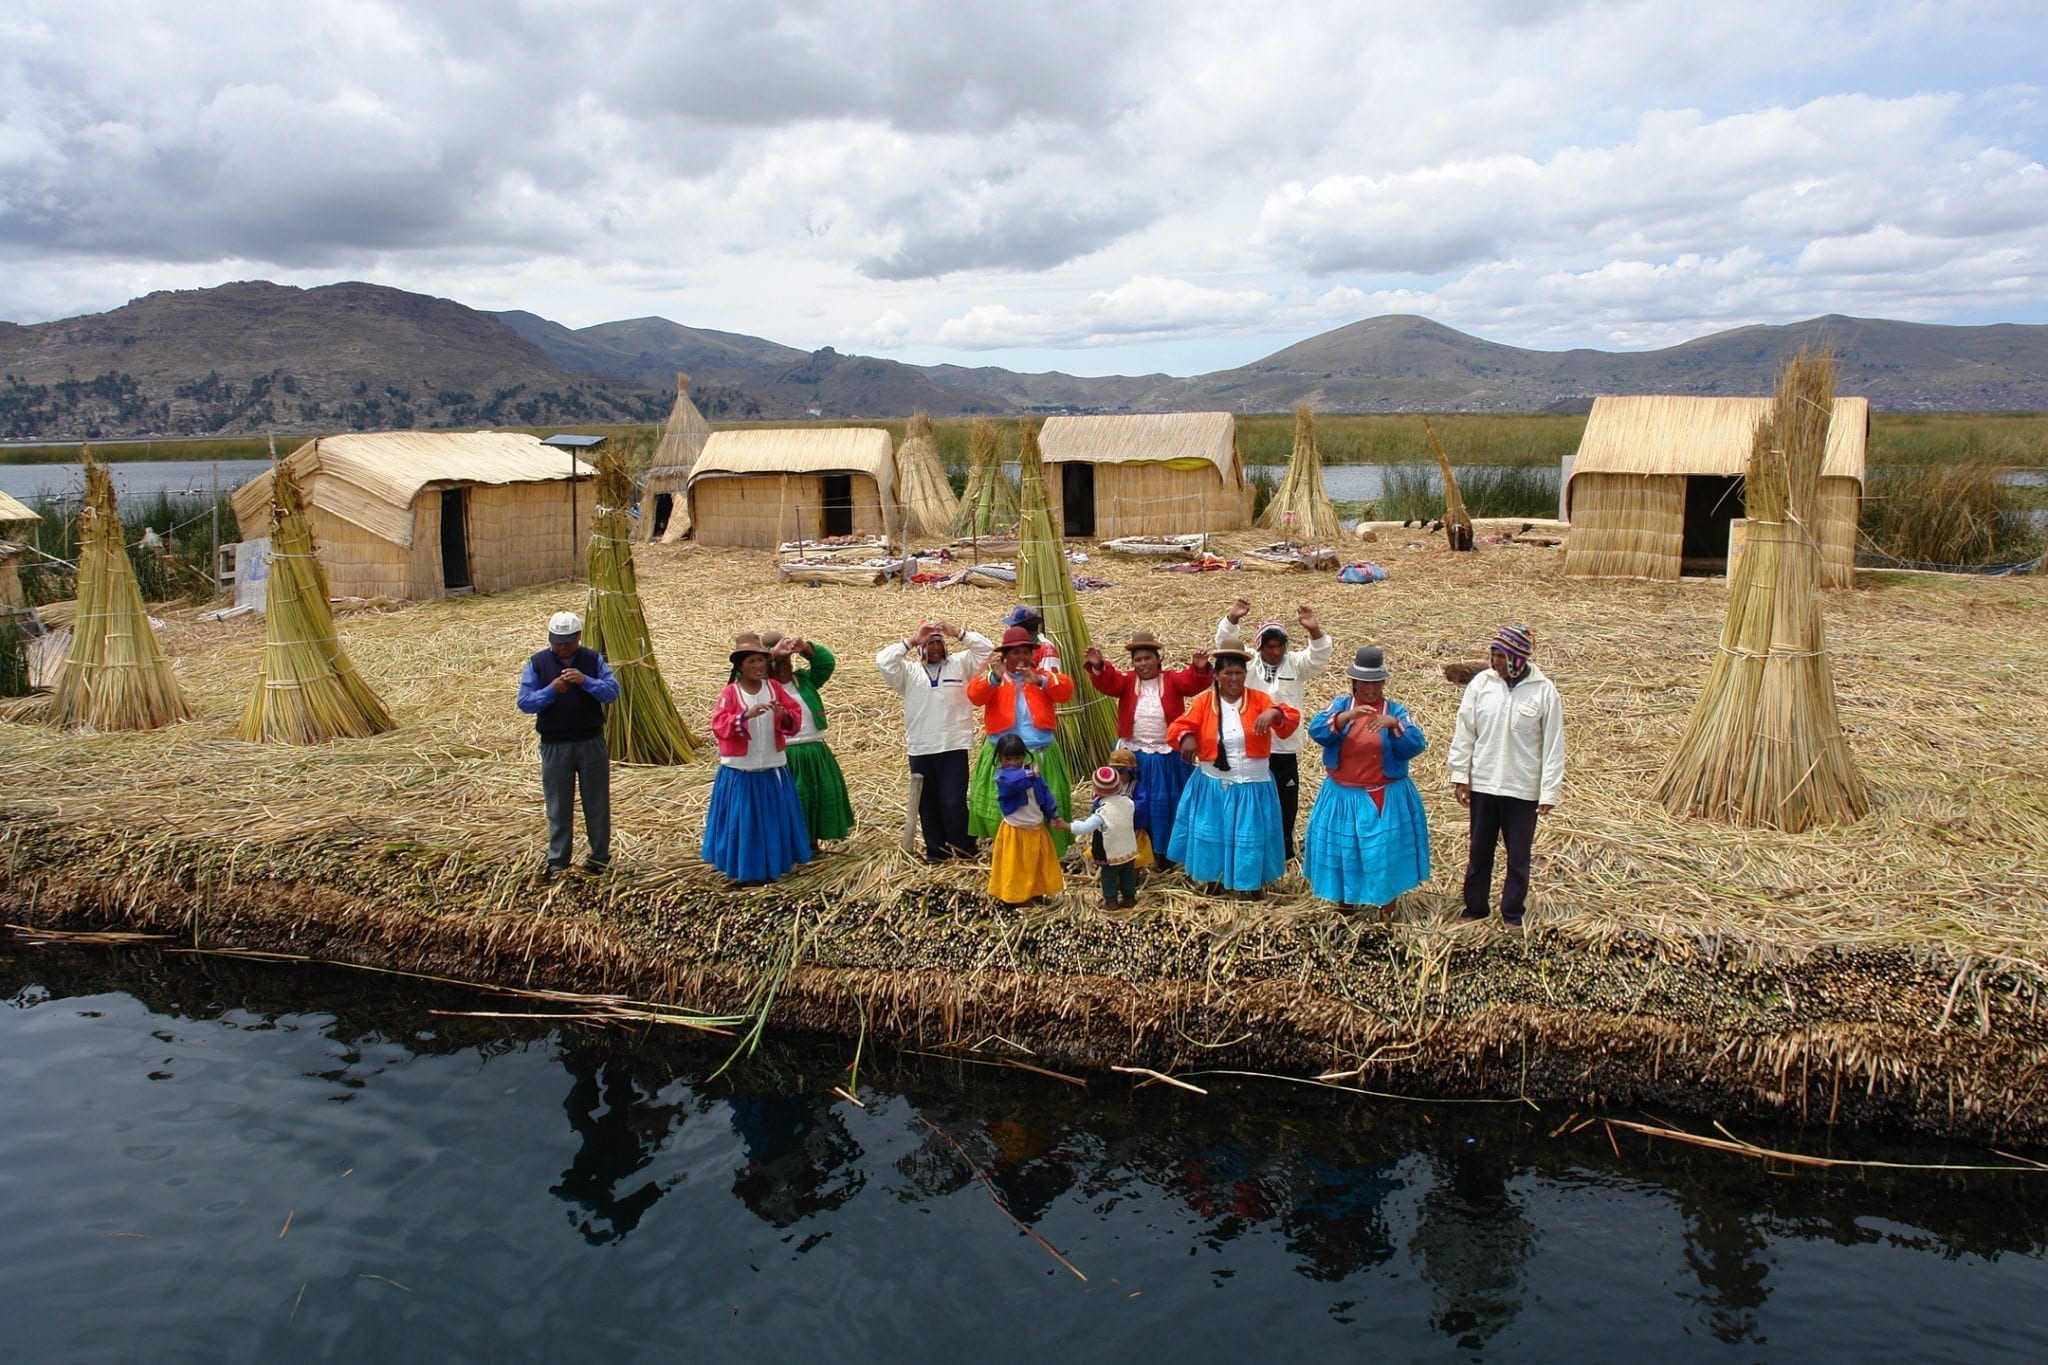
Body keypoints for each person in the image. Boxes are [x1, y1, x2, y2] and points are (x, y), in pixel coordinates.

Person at [1448, 625, 1565, 927]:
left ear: (1517, 657)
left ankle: (1512, 912)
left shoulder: (1543, 691)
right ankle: (1475, 908)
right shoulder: (1481, 684)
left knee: (1518, 857)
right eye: (1492, 654)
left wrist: (1548, 791)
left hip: (1522, 788)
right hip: (1485, 783)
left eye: (1500, 656)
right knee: (1479, 852)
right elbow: (1465, 732)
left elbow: (1553, 744)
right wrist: (1461, 775)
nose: (1494, 661)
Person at [1304, 646, 1431, 911]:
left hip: (1384, 795)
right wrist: (1345, 718)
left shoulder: (1395, 711)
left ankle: (1386, 913)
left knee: (1384, 854)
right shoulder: (1341, 705)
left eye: (1376, 683)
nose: (1371, 689)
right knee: (1344, 852)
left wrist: (1394, 725)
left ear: (1383, 683)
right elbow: (1317, 729)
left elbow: (1416, 744)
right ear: (1354, 683)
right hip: (1343, 796)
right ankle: (1345, 907)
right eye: (1365, 683)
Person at [1166, 646, 1300, 897]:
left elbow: (1290, 719)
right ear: (1216, 676)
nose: (1234, 679)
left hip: (1253, 784)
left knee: (1251, 836)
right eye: (1228, 673)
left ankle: (1250, 883)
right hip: (1214, 785)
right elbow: (1179, 726)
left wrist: (1275, 713)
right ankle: (1214, 880)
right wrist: (1186, 737)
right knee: (1214, 834)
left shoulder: (1259, 700)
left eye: (1239, 673)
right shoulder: (1205, 702)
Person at [1216, 599, 1333, 860]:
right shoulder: (1248, 665)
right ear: (1260, 647)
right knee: (1251, 800)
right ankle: (1252, 845)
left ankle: (1284, 849)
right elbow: (1225, 647)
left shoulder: (1295, 664)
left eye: (1280, 647)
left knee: (1286, 800)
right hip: (1252, 747)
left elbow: (1319, 656)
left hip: (1284, 746)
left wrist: (1313, 630)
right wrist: (1233, 618)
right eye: (1270, 647)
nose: (1275, 652)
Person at [1082, 629, 1210, 867]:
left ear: (1158, 659)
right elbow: (1109, 683)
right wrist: (1099, 665)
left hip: (1166, 755)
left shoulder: (1171, 679)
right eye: (1138, 660)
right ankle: (1135, 850)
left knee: (1166, 802)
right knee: (1134, 802)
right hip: (1134, 756)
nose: (1143, 664)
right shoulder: (1128, 681)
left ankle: (1164, 851)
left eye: (1148, 658)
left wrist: (1199, 668)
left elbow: (1191, 683)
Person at [875, 619, 994, 862]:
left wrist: (959, 633)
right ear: (921, 648)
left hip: (953, 745)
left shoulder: (960, 664)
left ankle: (963, 848)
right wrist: (911, 640)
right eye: (929, 644)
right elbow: (883, 661)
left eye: (939, 642)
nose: (936, 648)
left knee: (953, 802)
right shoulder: (908, 672)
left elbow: (986, 649)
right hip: (921, 747)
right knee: (927, 804)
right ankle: (936, 851)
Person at [517, 610, 622, 883]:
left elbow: (612, 692)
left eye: (568, 641)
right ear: (550, 638)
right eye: (557, 641)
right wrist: (551, 690)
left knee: (597, 803)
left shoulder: (592, 660)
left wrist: (585, 681)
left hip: (591, 742)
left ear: (578, 637)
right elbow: (525, 703)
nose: (563, 647)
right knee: (558, 805)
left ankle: (599, 859)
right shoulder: (538, 663)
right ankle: (558, 863)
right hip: (555, 745)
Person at [702, 633, 813, 886]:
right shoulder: (730, 693)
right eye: (751, 661)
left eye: (761, 661)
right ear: (740, 666)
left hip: (772, 766)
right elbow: (719, 725)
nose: (758, 666)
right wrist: (744, 716)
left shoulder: (773, 688)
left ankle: (773, 866)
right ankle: (746, 871)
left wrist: (783, 714)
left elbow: (793, 716)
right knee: (745, 824)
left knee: (772, 821)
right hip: (742, 771)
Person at [967, 625, 1076, 853]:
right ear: (1004, 656)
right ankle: (1007, 851)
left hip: (1040, 753)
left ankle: (1043, 851)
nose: (1021, 657)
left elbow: (1065, 691)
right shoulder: (995, 679)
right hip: (1004, 755)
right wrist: (993, 678)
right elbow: (974, 696)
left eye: (1026, 652)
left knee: (1045, 802)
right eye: (1015, 652)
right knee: (1005, 806)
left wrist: (1039, 681)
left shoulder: (1042, 677)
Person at [761, 630, 853, 851]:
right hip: (785, 754)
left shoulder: (803, 680)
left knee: (818, 796)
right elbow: (737, 678)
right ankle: (792, 846)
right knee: (795, 800)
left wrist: (807, 648)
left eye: (788, 660)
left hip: (815, 750)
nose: (784, 665)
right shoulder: (760, 688)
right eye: (778, 661)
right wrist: (772, 655)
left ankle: (812, 843)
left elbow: (826, 664)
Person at [988, 734, 1068, 906]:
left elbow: (1045, 795)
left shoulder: (1032, 774)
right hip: (1016, 831)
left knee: (1037, 864)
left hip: (1036, 828)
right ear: (1000, 758)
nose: (1012, 763)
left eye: (1017, 758)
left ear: (1024, 756)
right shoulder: (1002, 777)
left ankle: (1036, 892)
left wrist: (1053, 815)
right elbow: (1012, 783)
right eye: (1007, 758)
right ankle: (1017, 898)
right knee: (1018, 867)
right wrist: (1030, 774)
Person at [1069, 765, 1141, 909]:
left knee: (1109, 877)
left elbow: (1084, 828)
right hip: (1128, 850)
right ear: (1119, 786)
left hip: (1110, 853)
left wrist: (1066, 825)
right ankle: (1130, 899)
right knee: (1128, 875)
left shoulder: (1102, 812)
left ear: (1095, 790)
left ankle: (1111, 901)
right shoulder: (1129, 803)